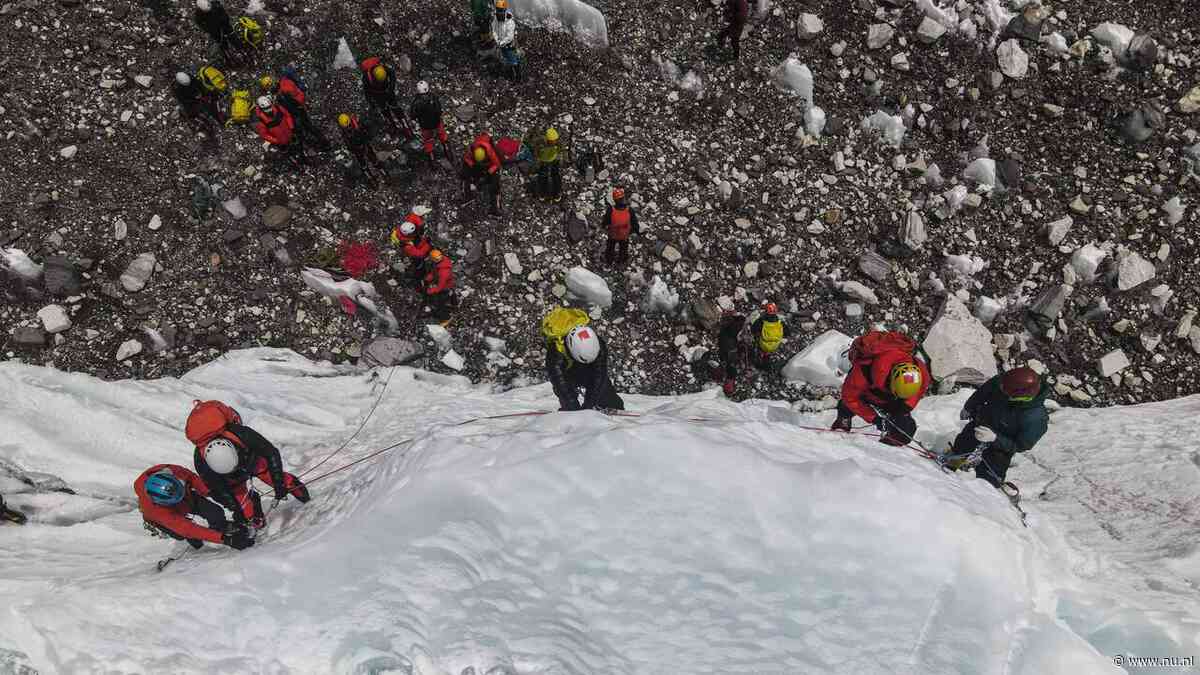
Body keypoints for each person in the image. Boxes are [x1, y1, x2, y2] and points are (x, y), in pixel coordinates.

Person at [186, 400, 310, 528]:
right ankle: (256, 524)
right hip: (231, 479)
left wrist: (279, 484)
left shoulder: (240, 433)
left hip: (250, 460)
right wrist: (234, 507)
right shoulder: (202, 463)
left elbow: (270, 452)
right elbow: (217, 489)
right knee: (247, 511)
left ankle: (310, 503)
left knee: (285, 481)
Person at [951, 367, 1050, 487]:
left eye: (1006, 392)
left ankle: (986, 490)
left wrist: (995, 439)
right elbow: (983, 392)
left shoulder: (1035, 418)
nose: (1001, 390)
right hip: (984, 422)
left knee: (991, 473)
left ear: (1020, 396)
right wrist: (969, 406)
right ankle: (952, 462)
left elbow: (1022, 445)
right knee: (964, 443)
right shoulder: (1004, 382)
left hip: (1003, 443)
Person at [831, 330, 932, 446]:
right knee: (848, 404)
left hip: (890, 397)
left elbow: (919, 391)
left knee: (905, 427)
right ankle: (843, 419)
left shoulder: (920, 369)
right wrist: (875, 419)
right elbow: (850, 397)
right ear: (891, 381)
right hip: (868, 392)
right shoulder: (864, 369)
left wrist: (904, 408)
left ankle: (890, 444)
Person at [135, 464, 253, 550]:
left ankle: (220, 528)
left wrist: (208, 492)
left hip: (188, 498)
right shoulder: (155, 511)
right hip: (168, 513)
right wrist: (226, 540)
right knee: (180, 534)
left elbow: (192, 478)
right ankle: (196, 537)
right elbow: (187, 528)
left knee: (215, 512)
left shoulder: (172, 471)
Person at [546, 324, 624, 411]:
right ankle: (569, 411)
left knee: (606, 393)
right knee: (569, 402)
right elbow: (559, 381)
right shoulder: (556, 351)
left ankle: (613, 407)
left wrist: (589, 404)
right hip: (567, 373)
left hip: (588, 371)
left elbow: (599, 374)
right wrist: (571, 404)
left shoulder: (598, 345)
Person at [261, 69, 330, 151]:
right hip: (297, 110)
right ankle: (323, 142)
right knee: (308, 127)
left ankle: (321, 144)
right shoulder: (284, 83)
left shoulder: (282, 92)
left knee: (305, 128)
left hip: (296, 112)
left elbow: (290, 103)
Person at [359, 56, 409, 135]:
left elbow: (392, 74)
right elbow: (367, 92)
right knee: (385, 111)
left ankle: (405, 126)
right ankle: (393, 126)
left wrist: (391, 88)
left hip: (387, 90)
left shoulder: (383, 68)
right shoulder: (366, 78)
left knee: (396, 108)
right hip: (377, 95)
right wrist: (371, 104)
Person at [254, 95, 306, 169]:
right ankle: (296, 165)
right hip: (280, 141)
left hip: (289, 133)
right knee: (288, 153)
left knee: (297, 147)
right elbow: (264, 135)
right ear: (261, 108)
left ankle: (303, 158)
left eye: (269, 107)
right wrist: (276, 141)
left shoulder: (278, 108)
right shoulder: (261, 121)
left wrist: (291, 127)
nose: (268, 110)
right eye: (266, 108)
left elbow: (287, 115)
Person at [337, 112, 386, 182]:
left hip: (360, 147)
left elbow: (350, 145)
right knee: (370, 160)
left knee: (366, 161)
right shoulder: (352, 128)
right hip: (361, 146)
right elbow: (362, 135)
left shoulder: (348, 130)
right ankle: (378, 173)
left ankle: (373, 176)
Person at [461, 132, 502, 214]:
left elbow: (497, 164)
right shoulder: (472, 149)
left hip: (487, 166)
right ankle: (467, 192)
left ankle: (495, 205)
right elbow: (466, 158)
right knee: (465, 170)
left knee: (495, 180)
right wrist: (472, 165)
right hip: (476, 164)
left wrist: (488, 172)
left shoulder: (490, 151)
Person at [173, 71, 223, 136]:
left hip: (196, 94)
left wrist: (204, 93)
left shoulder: (191, 78)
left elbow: (199, 84)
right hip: (192, 100)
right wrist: (195, 99)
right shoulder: (178, 90)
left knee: (211, 95)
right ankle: (199, 119)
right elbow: (184, 101)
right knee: (192, 111)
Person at [409, 80, 449, 161]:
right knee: (442, 134)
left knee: (428, 140)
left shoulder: (416, 102)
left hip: (425, 126)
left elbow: (412, 115)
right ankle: (446, 147)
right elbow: (439, 110)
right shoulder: (433, 97)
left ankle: (431, 156)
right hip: (436, 123)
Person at [390, 213, 432, 286]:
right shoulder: (407, 246)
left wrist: (420, 224)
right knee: (418, 264)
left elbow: (413, 216)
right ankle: (419, 277)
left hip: (412, 244)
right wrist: (427, 245)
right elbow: (420, 254)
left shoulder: (405, 228)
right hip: (413, 254)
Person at [602, 187, 639, 265]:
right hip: (624, 235)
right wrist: (635, 231)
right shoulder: (629, 210)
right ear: (623, 198)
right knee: (623, 249)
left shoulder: (611, 210)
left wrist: (604, 226)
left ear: (615, 200)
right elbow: (635, 223)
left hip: (613, 234)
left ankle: (609, 261)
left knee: (610, 248)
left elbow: (606, 221)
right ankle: (621, 262)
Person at [717, 310, 746, 397]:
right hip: (731, 348)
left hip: (725, 348)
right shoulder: (737, 326)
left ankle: (726, 382)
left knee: (728, 365)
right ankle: (729, 388)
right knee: (731, 368)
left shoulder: (724, 328)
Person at [422, 249, 455, 325]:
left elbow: (440, 287)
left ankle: (446, 318)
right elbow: (435, 272)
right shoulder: (440, 263)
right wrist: (428, 278)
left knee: (439, 304)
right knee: (450, 295)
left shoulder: (444, 272)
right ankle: (454, 304)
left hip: (445, 287)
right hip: (447, 284)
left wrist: (430, 291)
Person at [749, 302, 784, 371]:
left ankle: (759, 361)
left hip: (763, 344)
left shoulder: (761, 321)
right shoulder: (779, 321)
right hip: (775, 345)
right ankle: (768, 363)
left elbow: (753, 330)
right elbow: (787, 332)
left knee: (756, 341)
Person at [534, 127, 563, 202]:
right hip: (549, 160)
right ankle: (551, 194)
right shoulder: (555, 145)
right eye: (553, 140)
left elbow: (537, 153)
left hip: (546, 161)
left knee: (547, 176)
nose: (554, 141)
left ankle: (544, 194)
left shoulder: (541, 143)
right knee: (552, 175)